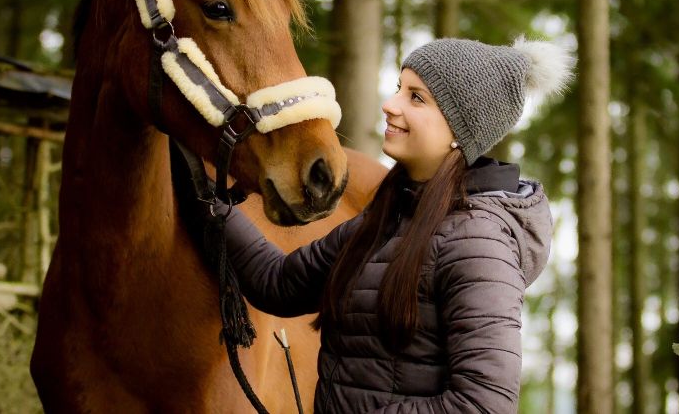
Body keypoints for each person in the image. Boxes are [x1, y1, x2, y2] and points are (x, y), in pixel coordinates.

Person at [222, 36, 575, 413]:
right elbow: (279, 284)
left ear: (459, 129)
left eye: (416, 97)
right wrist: (210, 205)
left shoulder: (478, 241)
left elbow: (483, 405)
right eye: (398, 90)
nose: (390, 106)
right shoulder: (390, 216)